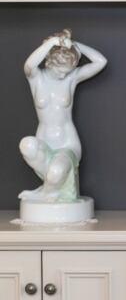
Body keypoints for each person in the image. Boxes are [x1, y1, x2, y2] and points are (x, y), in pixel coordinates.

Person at [18, 29, 107, 203]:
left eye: (68, 71)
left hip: (68, 143)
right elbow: (29, 65)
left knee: (56, 172)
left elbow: (101, 61)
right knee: (26, 144)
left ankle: (46, 192)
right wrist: (52, 43)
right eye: (60, 71)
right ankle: (49, 188)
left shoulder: (71, 78)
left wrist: (73, 44)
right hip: (44, 140)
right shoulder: (36, 79)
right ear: (50, 63)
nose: (63, 75)